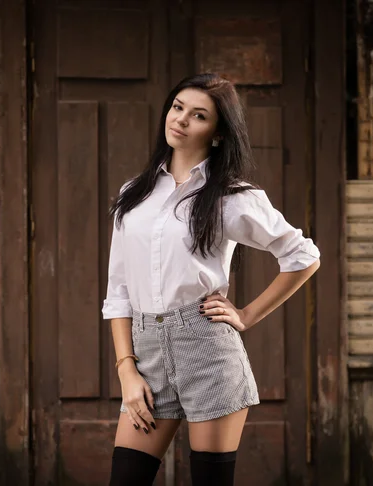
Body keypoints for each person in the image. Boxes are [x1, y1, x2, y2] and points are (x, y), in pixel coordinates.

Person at [102, 73, 320, 486]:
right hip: (146, 356)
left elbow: (303, 256)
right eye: (178, 107)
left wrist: (248, 315)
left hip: (208, 351)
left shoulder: (232, 197)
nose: (181, 120)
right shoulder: (134, 195)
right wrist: (126, 370)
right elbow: (119, 293)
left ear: (217, 133)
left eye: (198, 115)